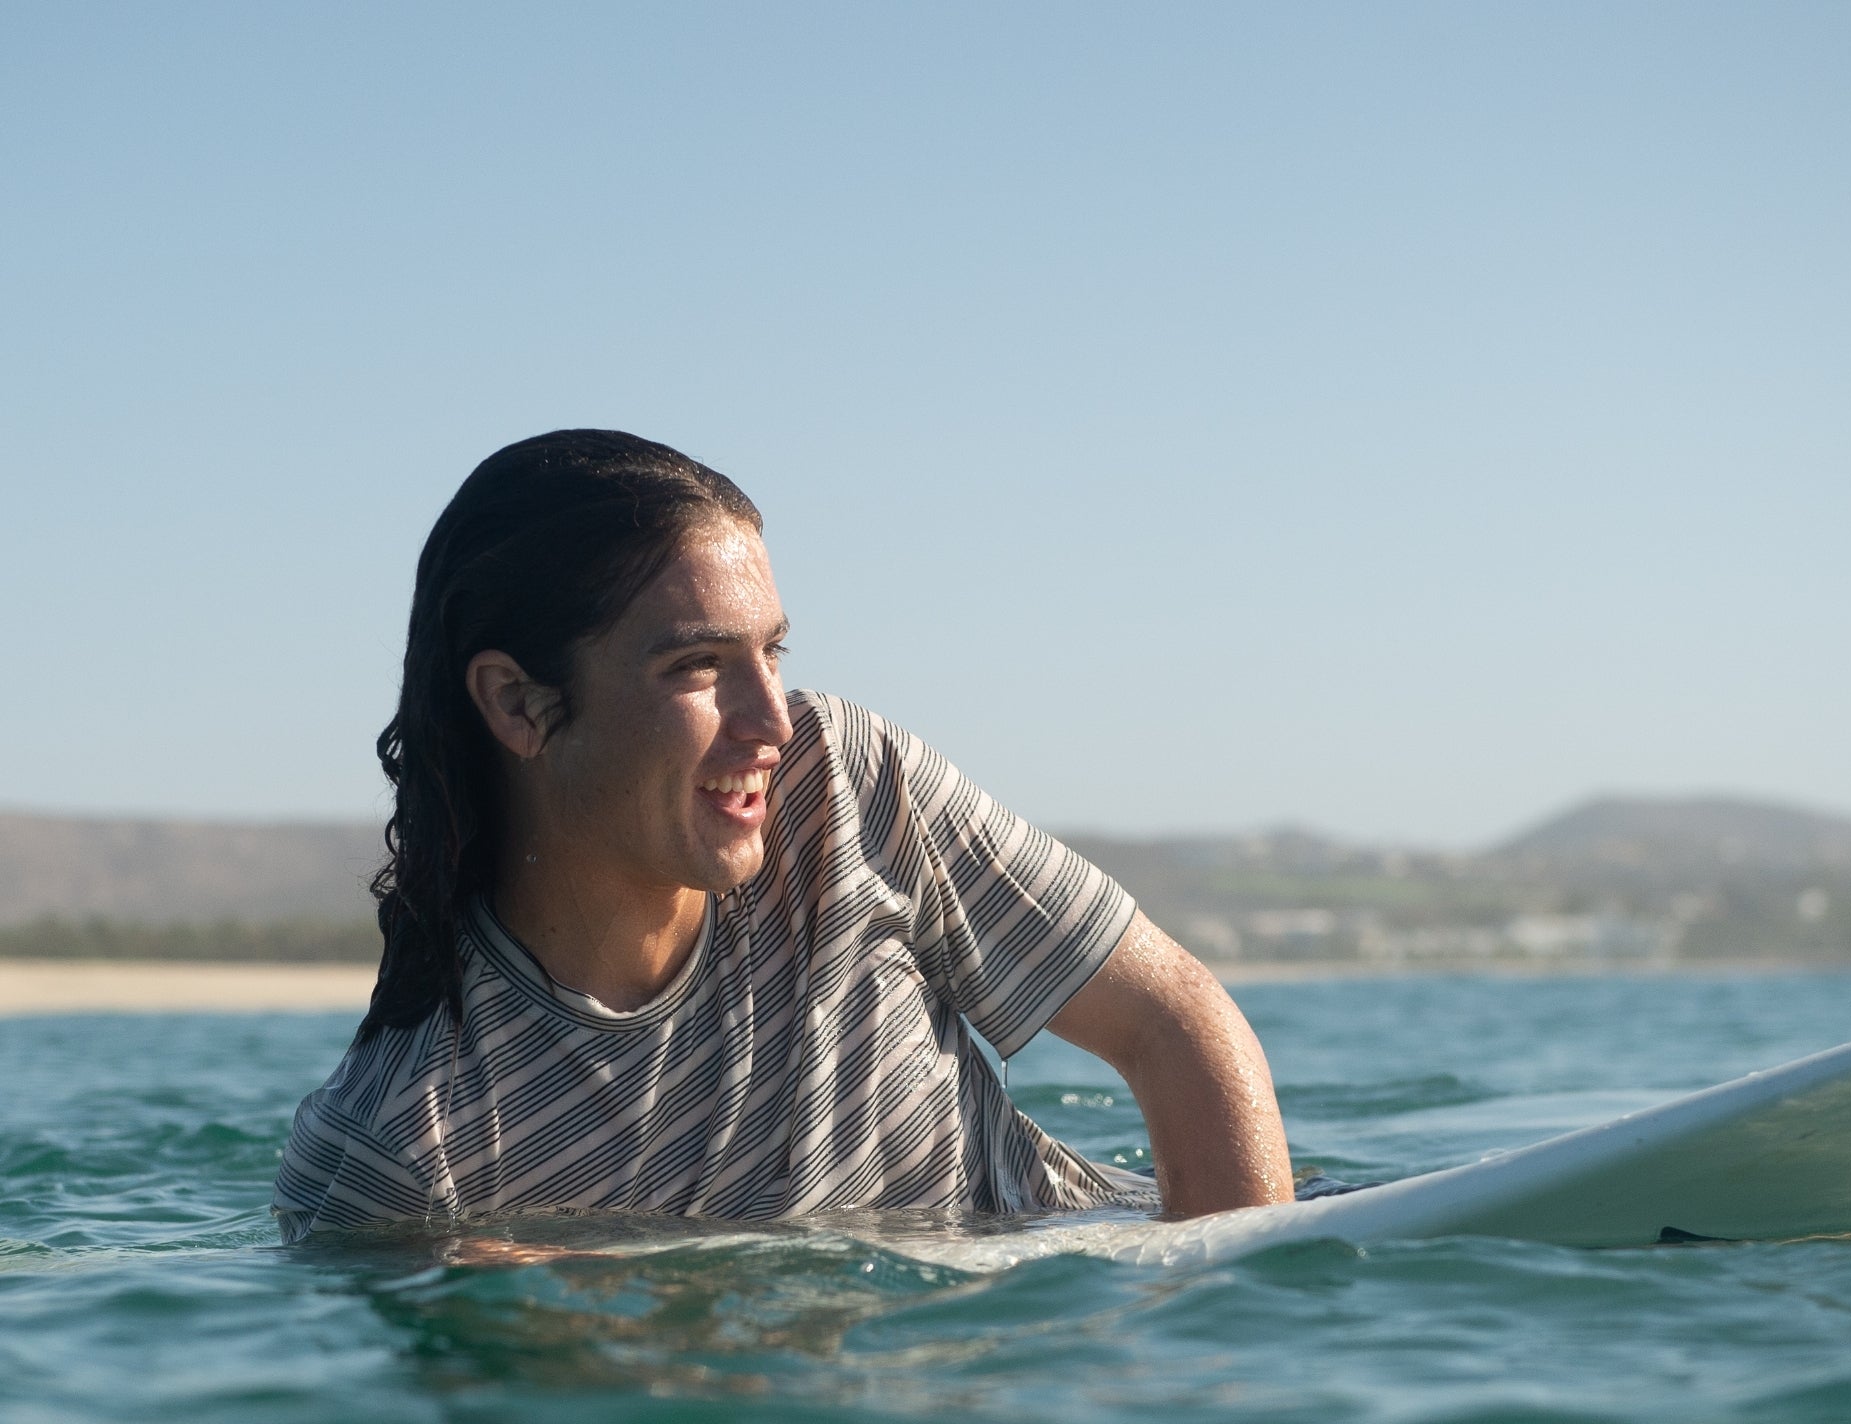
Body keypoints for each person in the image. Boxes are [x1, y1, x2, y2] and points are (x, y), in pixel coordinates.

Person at [274, 430, 1293, 1243]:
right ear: (517, 702)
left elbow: (1170, 1021)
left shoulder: (841, 786)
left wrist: (1226, 1349)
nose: (772, 722)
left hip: (1094, 1300)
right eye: (698, 666)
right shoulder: (405, 1156)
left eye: (772, 652)